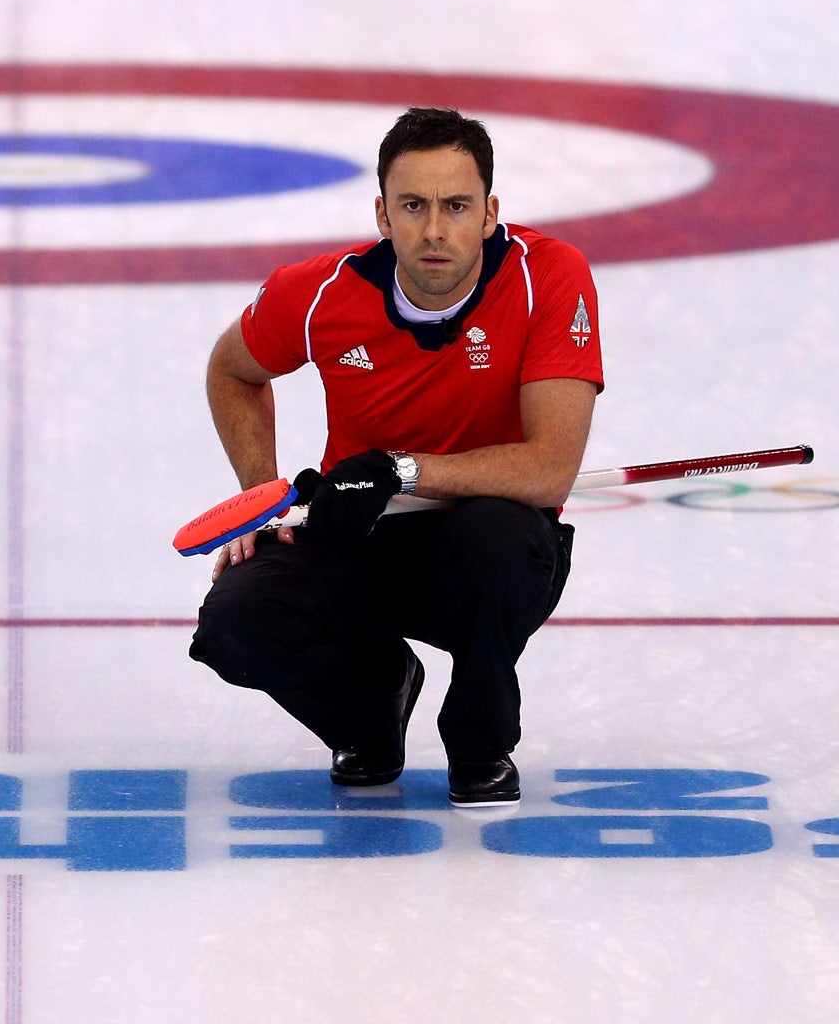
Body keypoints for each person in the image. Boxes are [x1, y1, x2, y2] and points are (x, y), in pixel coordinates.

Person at [189, 106, 602, 806]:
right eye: (413, 206)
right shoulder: (319, 294)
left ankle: (481, 746)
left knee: (494, 540)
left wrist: (401, 469)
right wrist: (265, 502)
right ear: (382, 214)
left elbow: (549, 468)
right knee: (235, 626)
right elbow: (233, 370)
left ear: (490, 212)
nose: (435, 230)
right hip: (361, 535)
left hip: (489, 545)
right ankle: (371, 706)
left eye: (456, 206)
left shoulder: (548, 277)